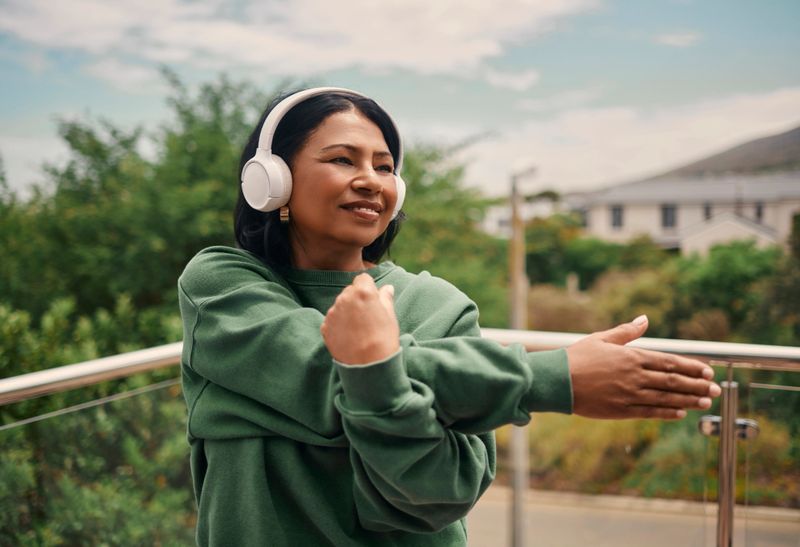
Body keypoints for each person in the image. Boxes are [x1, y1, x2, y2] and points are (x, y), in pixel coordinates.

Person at [177, 87, 720, 546]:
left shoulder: (438, 305)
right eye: (343, 159)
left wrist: (371, 372)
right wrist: (549, 377)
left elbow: (440, 492)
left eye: (385, 167)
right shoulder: (221, 284)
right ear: (271, 178)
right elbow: (318, 373)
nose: (371, 179)